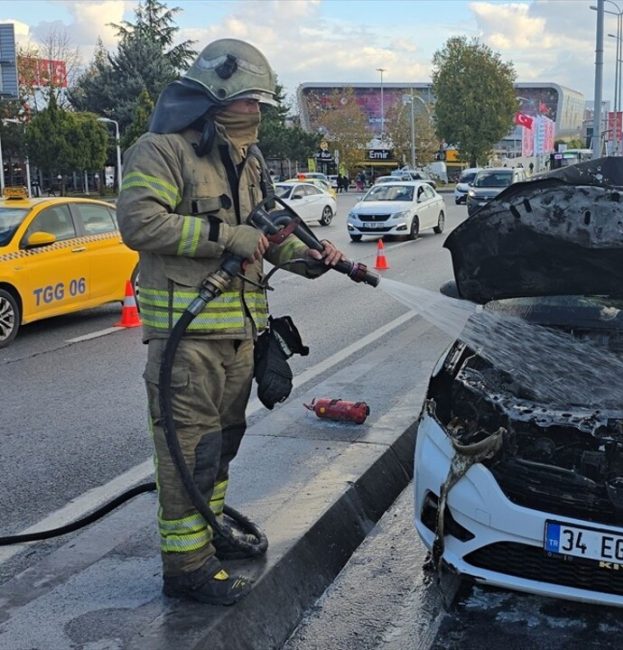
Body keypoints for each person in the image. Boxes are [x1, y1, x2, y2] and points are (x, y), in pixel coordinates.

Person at [116, 38, 349, 606]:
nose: (259, 114)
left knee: (221, 448)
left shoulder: (248, 158)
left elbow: (267, 234)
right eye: (252, 102)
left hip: (240, 335)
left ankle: (211, 534)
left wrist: (310, 258)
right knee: (187, 454)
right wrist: (225, 237)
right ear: (219, 95)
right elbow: (139, 223)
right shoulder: (162, 150)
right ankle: (187, 569)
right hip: (187, 341)